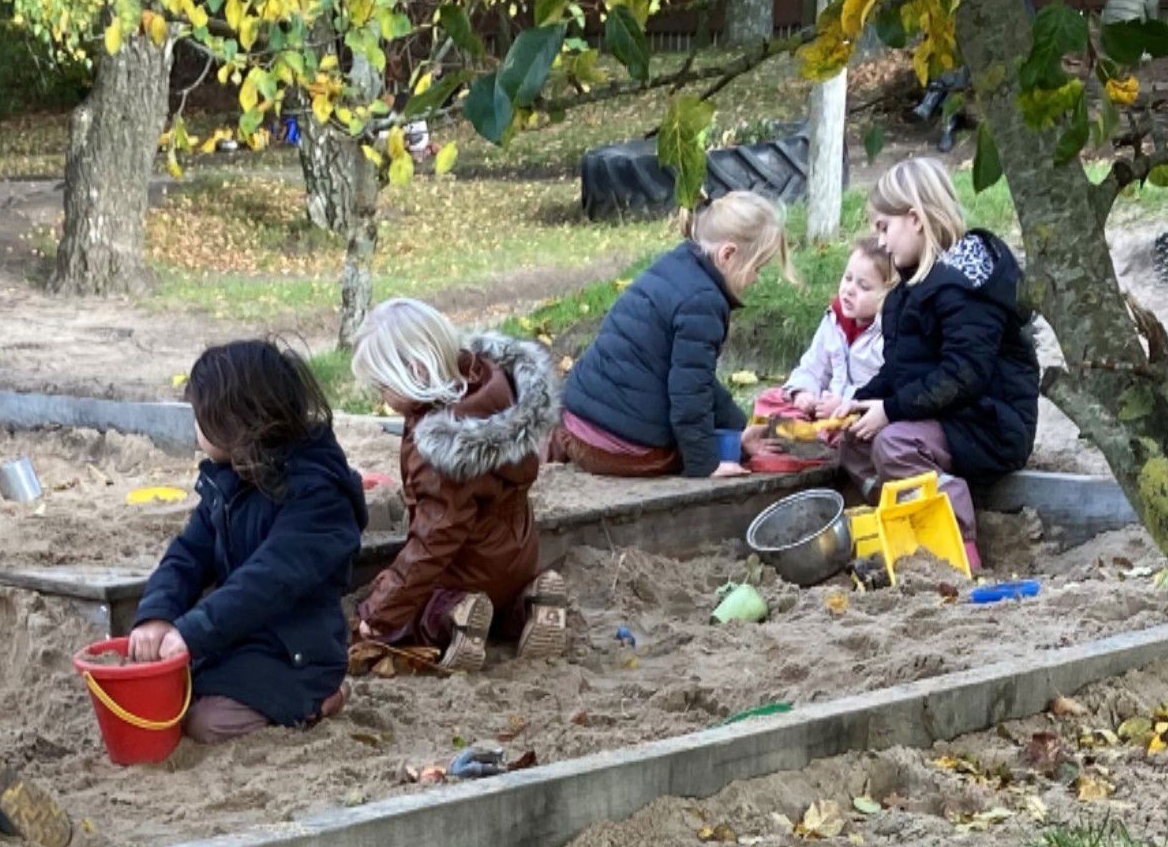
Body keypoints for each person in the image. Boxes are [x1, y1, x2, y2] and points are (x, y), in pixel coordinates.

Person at [123, 339, 363, 739]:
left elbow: (267, 581)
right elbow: (187, 555)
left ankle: (318, 703)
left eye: (201, 417)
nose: (195, 429)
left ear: (236, 421)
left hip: (297, 653)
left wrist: (192, 632)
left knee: (204, 722)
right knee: (168, 698)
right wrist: (157, 615)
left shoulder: (318, 495)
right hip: (238, 637)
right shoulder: (228, 481)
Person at [346, 298, 571, 674]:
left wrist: (378, 614)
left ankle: (454, 616)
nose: (382, 398)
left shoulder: (442, 449)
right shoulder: (496, 391)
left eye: (384, 386)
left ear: (416, 372)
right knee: (499, 609)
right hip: (520, 556)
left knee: (416, 611)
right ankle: (529, 603)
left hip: (469, 568)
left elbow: (433, 542)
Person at [839, 153, 1042, 565]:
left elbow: (964, 374)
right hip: (948, 416)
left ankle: (958, 541)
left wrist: (891, 411)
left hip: (990, 422)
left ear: (915, 219)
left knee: (894, 444)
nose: (881, 242)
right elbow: (902, 370)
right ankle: (897, 516)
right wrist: (858, 403)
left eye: (884, 227)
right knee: (853, 441)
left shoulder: (964, 287)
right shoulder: (910, 290)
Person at [555, 191, 785, 480]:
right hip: (619, 446)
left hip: (577, 422)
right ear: (727, 255)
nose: (756, 279)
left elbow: (694, 376)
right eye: (757, 268)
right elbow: (690, 395)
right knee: (685, 448)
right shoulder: (704, 301)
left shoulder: (678, 264)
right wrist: (706, 464)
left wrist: (737, 429)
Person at [743, 238, 896, 465]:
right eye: (847, 278)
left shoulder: (886, 333)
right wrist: (804, 392)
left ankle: (819, 443)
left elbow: (885, 388)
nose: (849, 290)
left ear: (889, 295)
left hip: (855, 413)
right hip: (824, 408)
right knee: (771, 398)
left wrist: (844, 403)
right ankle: (805, 436)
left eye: (864, 287)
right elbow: (813, 367)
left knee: (867, 431)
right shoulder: (834, 320)